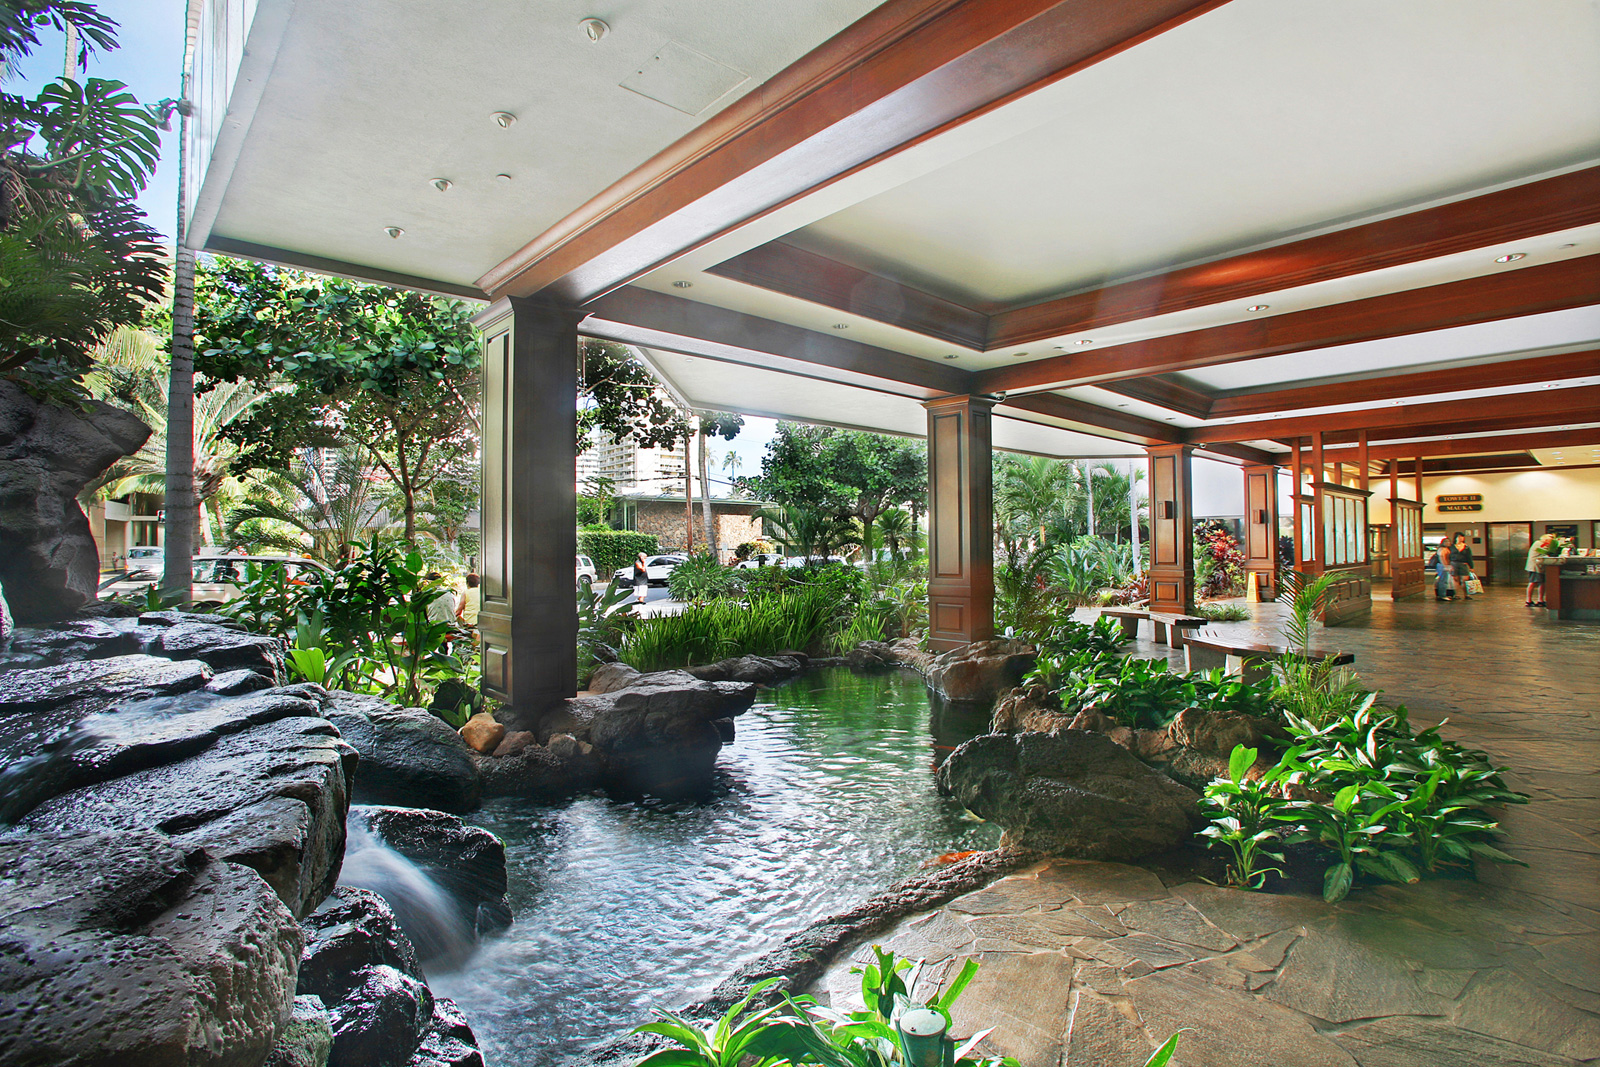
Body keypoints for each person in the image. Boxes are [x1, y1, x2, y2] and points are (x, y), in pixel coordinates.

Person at [1452, 532, 1475, 600]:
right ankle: (1456, 594)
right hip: (1454, 564)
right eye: (1459, 537)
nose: (1460, 538)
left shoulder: (1466, 547)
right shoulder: (1452, 546)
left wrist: (1471, 567)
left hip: (1463, 564)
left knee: (1465, 580)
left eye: (1462, 537)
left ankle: (1466, 594)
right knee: (1456, 580)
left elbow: (1469, 557)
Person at [1525, 540, 1548, 608]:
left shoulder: (1542, 544)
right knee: (1533, 582)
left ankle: (1540, 600)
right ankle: (1528, 600)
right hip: (1535, 566)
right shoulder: (1539, 544)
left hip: (1539, 567)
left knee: (1542, 582)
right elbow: (1545, 552)